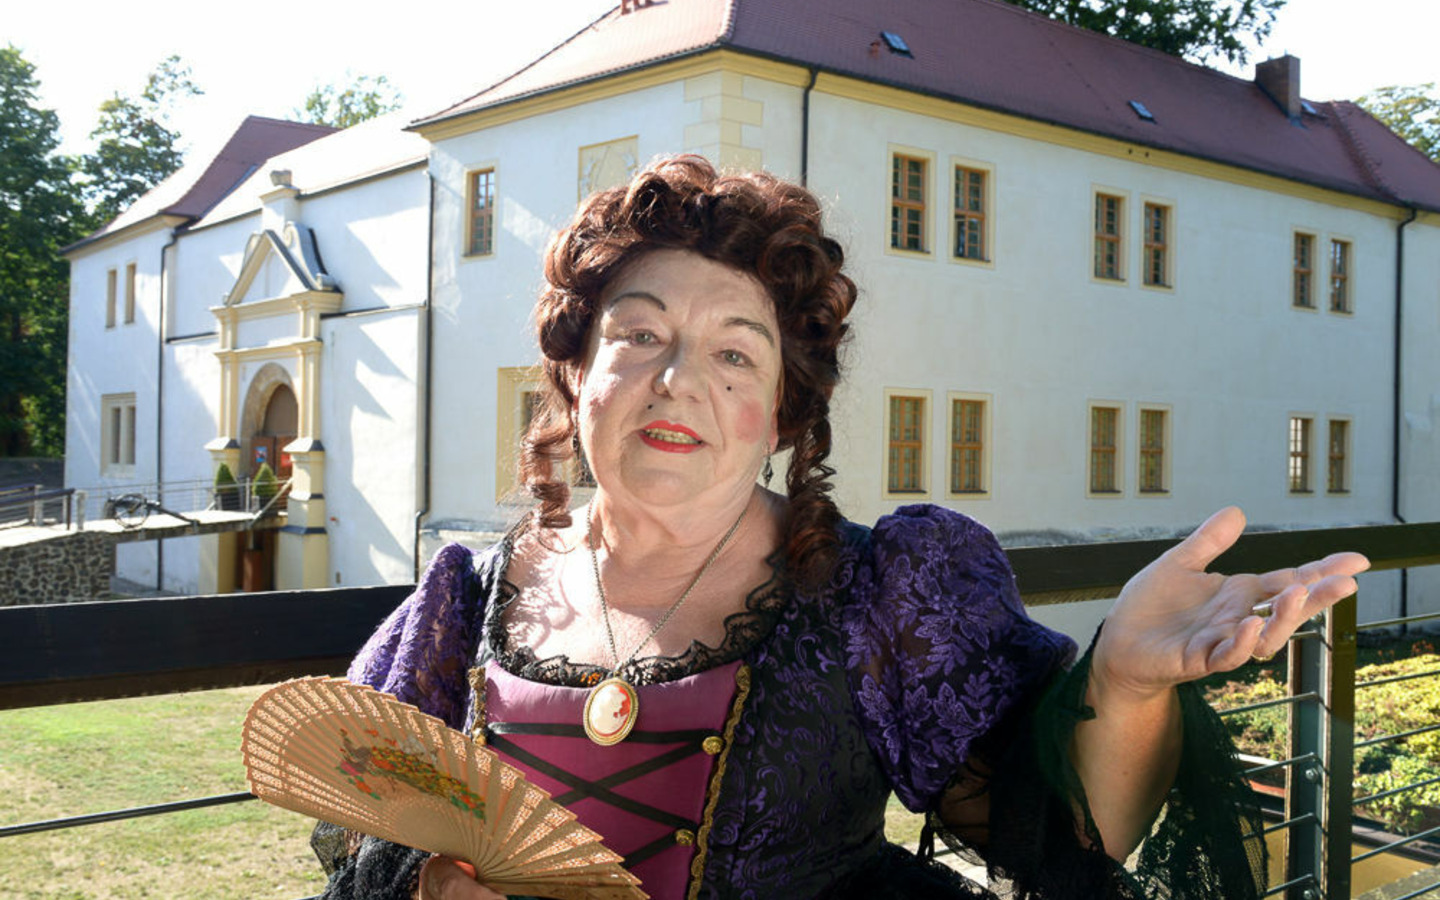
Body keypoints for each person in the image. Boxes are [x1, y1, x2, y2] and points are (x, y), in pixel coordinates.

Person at [313, 156, 1369, 900]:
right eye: (639, 335)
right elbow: (357, 812)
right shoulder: (465, 594)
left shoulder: (880, 590)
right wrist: (424, 883)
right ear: (576, 371)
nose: (678, 381)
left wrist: (1128, 684)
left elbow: (1072, 834)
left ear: (781, 411)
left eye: (735, 352)